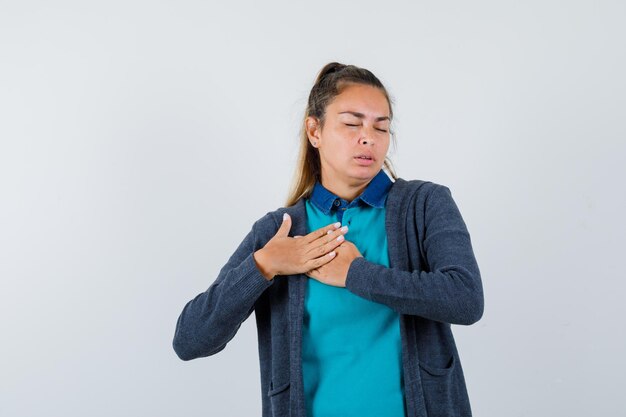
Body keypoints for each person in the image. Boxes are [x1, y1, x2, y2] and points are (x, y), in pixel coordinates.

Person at [173, 62, 485, 417]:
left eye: (380, 127)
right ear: (315, 131)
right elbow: (189, 340)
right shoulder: (279, 231)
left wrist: (356, 274)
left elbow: (466, 299)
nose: (367, 137)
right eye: (352, 123)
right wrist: (264, 265)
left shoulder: (425, 204)